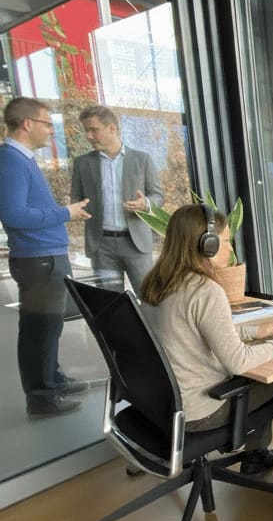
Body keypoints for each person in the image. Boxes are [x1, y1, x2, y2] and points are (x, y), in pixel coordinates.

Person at [139, 203, 273, 485]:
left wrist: (256, 331)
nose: (230, 248)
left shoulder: (158, 283)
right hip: (200, 411)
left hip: (164, 406)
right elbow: (237, 361)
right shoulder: (205, 291)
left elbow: (191, 335)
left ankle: (255, 457)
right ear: (206, 245)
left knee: (261, 380)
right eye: (225, 241)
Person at [0, 97, 93, 417]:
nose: (51, 131)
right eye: (46, 124)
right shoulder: (10, 160)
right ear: (27, 124)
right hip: (38, 260)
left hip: (46, 257)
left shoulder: (21, 159)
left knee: (49, 326)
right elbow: (14, 215)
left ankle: (52, 380)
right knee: (40, 328)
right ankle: (41, 398)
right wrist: (65, 213)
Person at [70, 105, 164, 293]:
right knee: (110, 305)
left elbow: (158, 195)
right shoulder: (82, 163)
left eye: (93, 130)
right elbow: (76, 199)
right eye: (86, 131)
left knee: (150, 299)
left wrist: (145, 204)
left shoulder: (142, 159)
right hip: (101, 245)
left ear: (111, 128)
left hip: (135, 243)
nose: (88, 136)